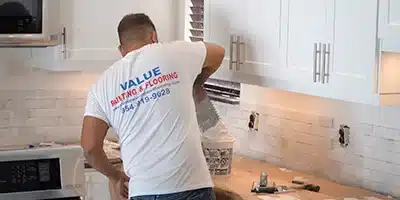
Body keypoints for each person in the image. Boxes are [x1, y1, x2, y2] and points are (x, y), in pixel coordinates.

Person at [80, 13, 225, 200]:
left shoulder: (101, 86)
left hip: (144, 191)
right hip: (191, 187)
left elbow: (90, 147)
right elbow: (219, 53)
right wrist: (197, 83)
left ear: (121, 50)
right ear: (154, 37)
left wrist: (114, 176)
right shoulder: (176, 52)